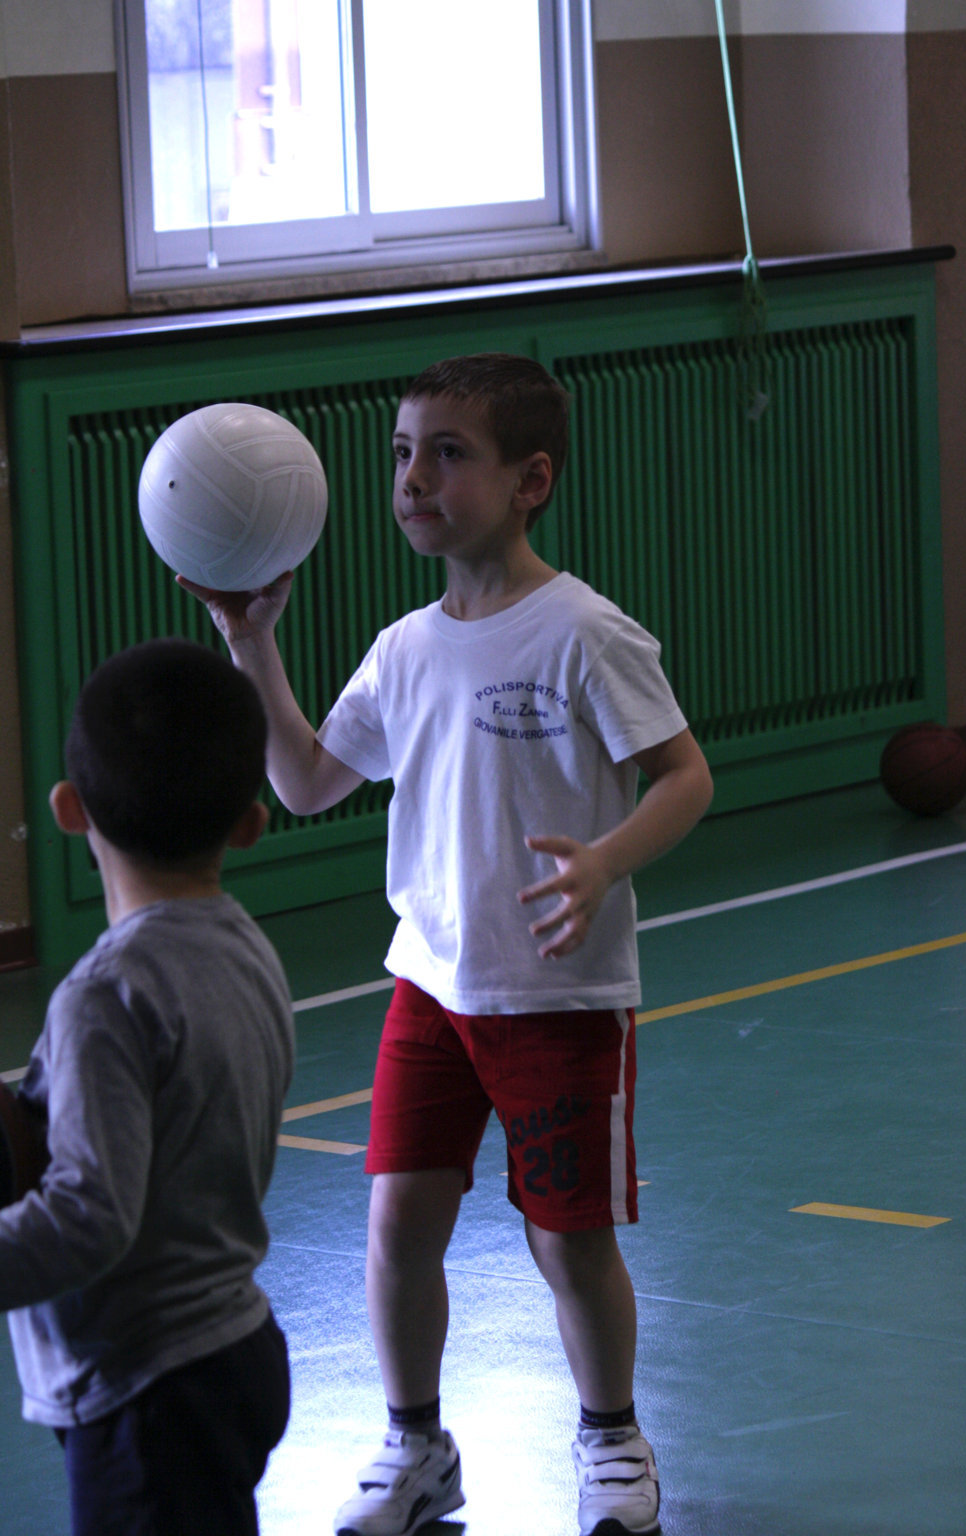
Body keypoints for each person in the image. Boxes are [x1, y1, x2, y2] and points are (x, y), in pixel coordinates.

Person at [183, 352, 714, 1536]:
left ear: (532, 480)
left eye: (447, 454)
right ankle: (417, 1445)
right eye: (401, 454)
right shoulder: (404, 648)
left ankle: (612, 1438)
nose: (413, 478)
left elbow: (685, 776)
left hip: (559, 997)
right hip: (428, 989)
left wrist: (605, 861)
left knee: (569, 1241)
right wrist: (251, 640)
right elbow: (306, 779)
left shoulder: (584, 632)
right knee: (396, 1226)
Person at [0, 638, 295, 1536]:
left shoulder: (105, 996)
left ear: (68, 809)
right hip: (233, 1348)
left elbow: (91, 1216)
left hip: (148, 1393)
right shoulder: (249, 950)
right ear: (252, 822)